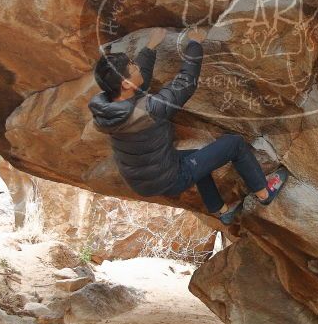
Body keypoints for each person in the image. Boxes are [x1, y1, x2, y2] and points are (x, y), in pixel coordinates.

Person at [88, 27, 288, 224]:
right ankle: (264, 192)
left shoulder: (108, 107)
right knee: (234, 143)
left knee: (198, 159)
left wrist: (150, 47)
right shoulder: (146, 111)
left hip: (144, 178)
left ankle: (221, 210)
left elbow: (138, 85)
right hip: (169, 176)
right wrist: (194, 44)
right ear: (125, 83)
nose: (137, 67)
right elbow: (185, 84)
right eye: (133, 66)